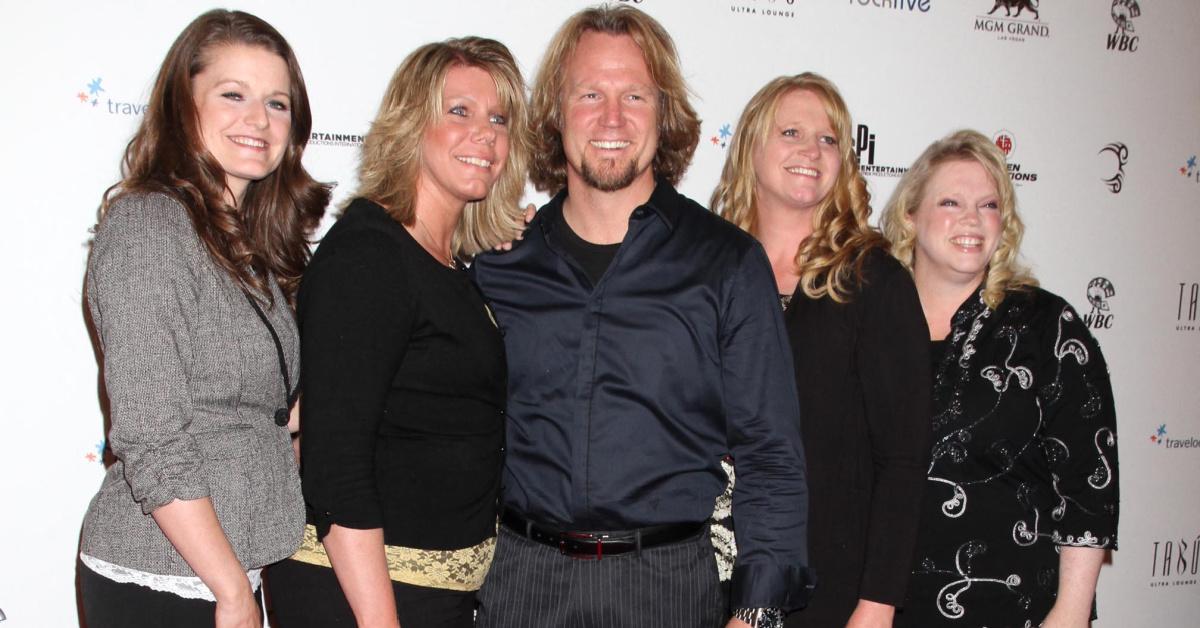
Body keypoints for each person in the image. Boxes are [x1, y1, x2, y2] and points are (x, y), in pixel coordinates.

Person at [471, 6, 813, 628]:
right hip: (522, 582)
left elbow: (771, 453)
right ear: (554, 112)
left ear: (664, 114)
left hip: (668, 588)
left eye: (635, 94)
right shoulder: (498, 263)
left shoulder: (728, 264)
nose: (612, 118)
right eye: (589, 94)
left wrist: (759, 610)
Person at [78, 9, 329, 628]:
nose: (258, 120)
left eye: (277, 103)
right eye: (232, 95)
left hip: (224, 569)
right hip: (166, 576)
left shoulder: (244, 242)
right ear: (182, 105)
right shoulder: (148, 227)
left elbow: (262, 405)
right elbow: (149, 434)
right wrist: (232, 592)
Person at [266, 37, 528, 628]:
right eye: (458, 111)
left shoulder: (444, 261)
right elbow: (335, 468)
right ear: (412, 124)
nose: (484, 133)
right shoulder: (370, 253)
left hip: (426, 594)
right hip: (361, 594)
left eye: (498, 118)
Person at [710, 73, 931, 628]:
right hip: (701, 579)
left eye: (830, 139)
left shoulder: (872, 278)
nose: (812, 149)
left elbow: (903, 459)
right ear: (750, 148)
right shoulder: (704, 270)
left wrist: (878, 603)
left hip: (827, 591)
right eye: (791, 132)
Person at [880, 130, 1120, 628]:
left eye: (989, 205)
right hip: (882, 608)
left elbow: (1088, 485)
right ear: (910, 215)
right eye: (951, 201)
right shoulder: (869, 323)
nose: (972, 219)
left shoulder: (1046, 327)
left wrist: (1071, 612)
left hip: (1016, 608)